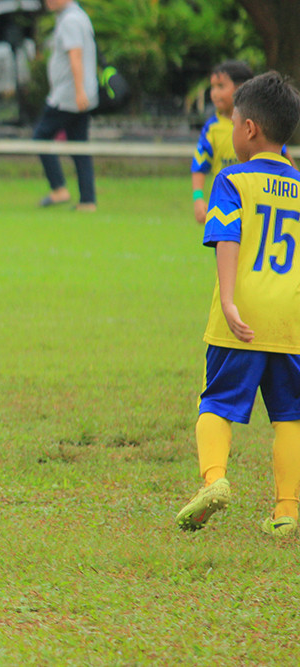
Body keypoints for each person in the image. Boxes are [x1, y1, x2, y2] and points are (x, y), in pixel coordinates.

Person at [175, 71, 300, 537]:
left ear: (249, 129)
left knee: (217, 403)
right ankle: (286, 511)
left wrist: (228, 300)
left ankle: (215, 480)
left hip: (242, 317)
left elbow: (226, 237)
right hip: (290, 321)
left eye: (234, 122)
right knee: (291, 415)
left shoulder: (232, 180)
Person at [34, 0, 98, 211]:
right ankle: (87, 200)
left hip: (68, 97)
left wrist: (79, 91)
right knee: (79, 146)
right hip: (76, 95)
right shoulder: (76, 16)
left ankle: (59, 188)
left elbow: (75, 56)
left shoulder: (71, 20)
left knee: (40, 137)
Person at [191, 61, 255, 225]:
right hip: (223, 206)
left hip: (255, 203)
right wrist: (198, 199)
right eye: (212, 87)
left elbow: (282, 157)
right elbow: (200, 165)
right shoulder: (212, 128)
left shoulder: (258, 124)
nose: (214, 93)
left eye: (221, 86)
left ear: (241, 88)